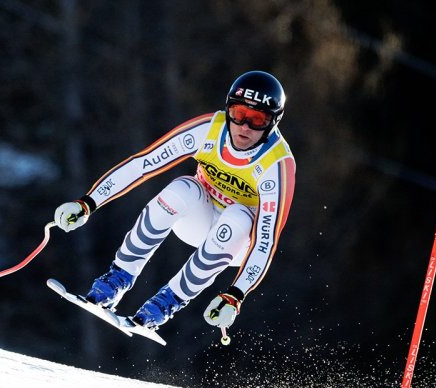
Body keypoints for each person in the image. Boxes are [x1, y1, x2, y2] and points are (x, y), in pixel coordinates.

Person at [52, 70, 295, 334]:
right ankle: (115, 280)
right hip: (197, 219)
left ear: (273, 123)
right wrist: (88, 202)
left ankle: (164, 305)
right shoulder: (209, 130)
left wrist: (235, 295)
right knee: (182, 188)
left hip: (237, 243)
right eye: (238, 114)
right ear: (228, 109)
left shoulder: (277, 165)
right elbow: (143, 164)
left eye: (257, 120)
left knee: (238, 215)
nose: (245, 127)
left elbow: (265, 240)